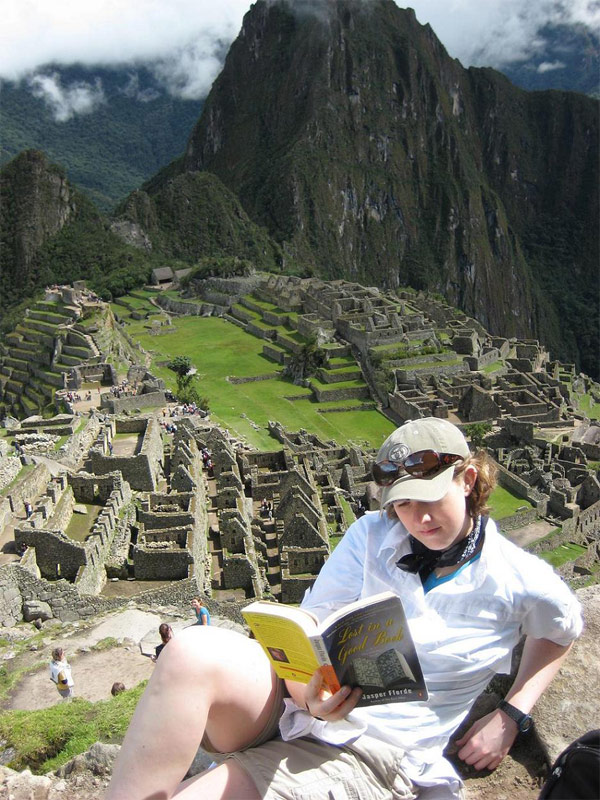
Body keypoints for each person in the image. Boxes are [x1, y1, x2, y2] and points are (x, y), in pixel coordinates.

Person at [106, 417, 582, 800]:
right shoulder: (372, 535)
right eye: (403, 504)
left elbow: (563, 631)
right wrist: (308, 692)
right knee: (190, 652)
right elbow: (311, 623)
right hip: (300, 701)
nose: (417, 518)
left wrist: (511, 714)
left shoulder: (520, 579)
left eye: (430, 499)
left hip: (372, 749)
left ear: (468, 480)